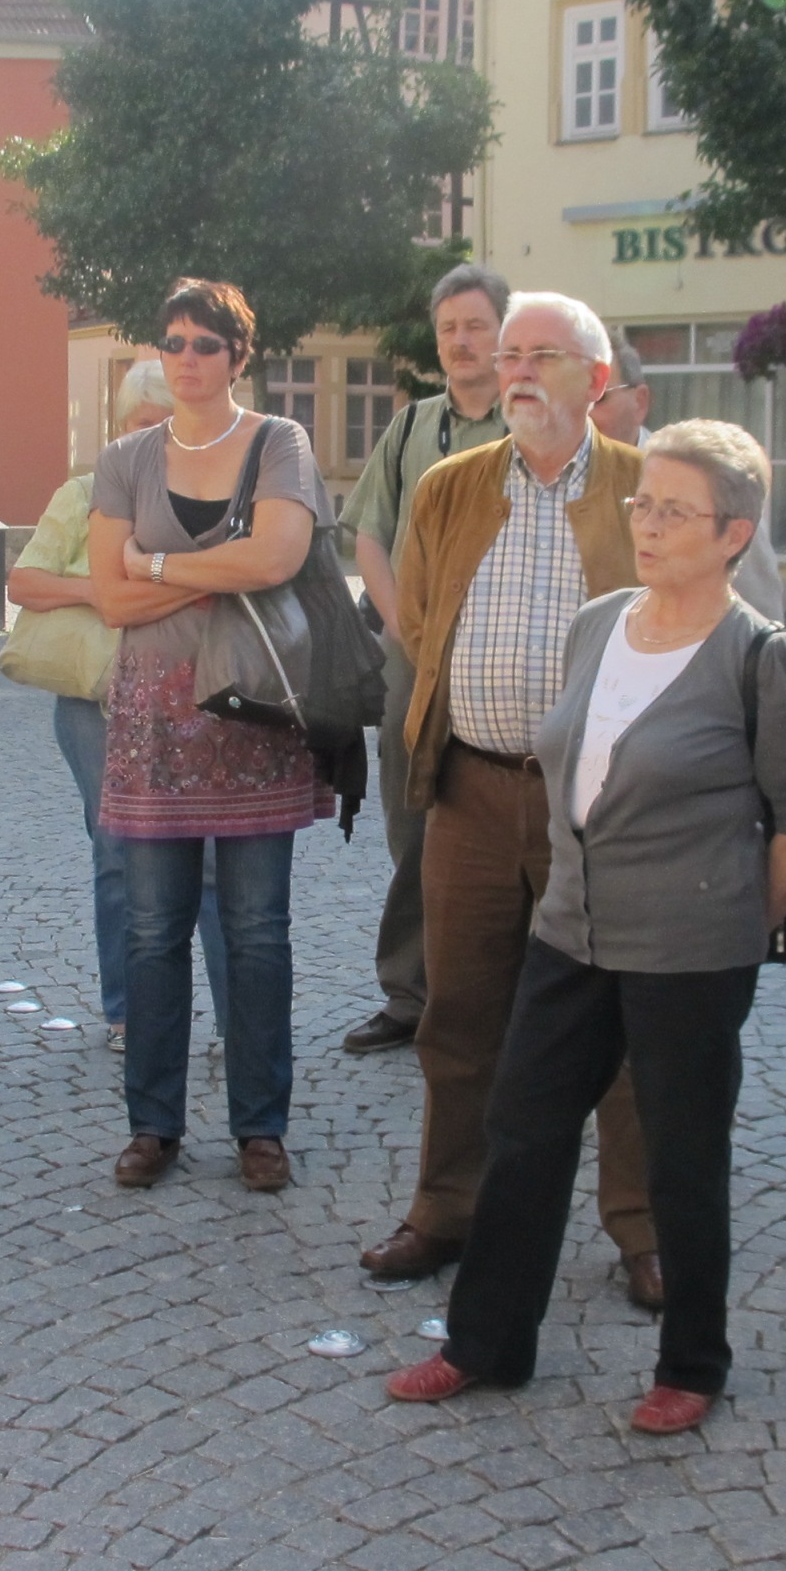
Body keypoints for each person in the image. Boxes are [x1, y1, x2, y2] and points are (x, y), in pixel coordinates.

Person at [385, 420, 786, 1432]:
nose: (647, 522)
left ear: (733, 532)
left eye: (674, 509)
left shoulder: (762, 657)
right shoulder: (597, 623)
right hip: (569, 931)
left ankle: (691, 1361)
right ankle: (485, 1342)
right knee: (522, 1129)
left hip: (688, 951)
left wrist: (731, 925)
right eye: (642, 502)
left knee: (681, 1151)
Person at [365, 291, 665, 1310]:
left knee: (621, 1028)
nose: (519, 369)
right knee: (458, 1017)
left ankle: (643, 1228)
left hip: (607, 808)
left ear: (595, 374)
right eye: (509, 353)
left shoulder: (644, 488)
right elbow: (417, 614)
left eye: (544, 353)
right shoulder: (447, 487)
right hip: (473, 792)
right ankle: (447, 1206)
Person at [88, 277, 328, 1193]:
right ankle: (153, 1125)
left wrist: (156, 562)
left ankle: (260, 1129)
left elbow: (279, 557)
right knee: (152, 933)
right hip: (153, 723)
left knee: (259, 934)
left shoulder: (279, 444)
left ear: (238, 355)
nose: (185, 358)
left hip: (256, 716)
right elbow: (109, 596)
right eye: (173, 342)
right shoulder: (126, 458)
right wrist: (212, 573)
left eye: (204, 344)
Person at [5, 359, 227, 1054]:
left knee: (216, 859)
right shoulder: (82, 495)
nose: (156, 435)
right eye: (142, 422)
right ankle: (130, 1012)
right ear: (119, 428)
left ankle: (233, 1016)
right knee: (119, 854)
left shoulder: (218, 496)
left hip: (199, 701)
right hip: (95, 705)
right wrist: (100, 593)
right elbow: (22, 580)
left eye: (170, 422)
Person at [341, 262, 510, 1055]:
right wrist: (402, 614)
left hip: (504, 659)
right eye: (449, 329)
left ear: (503, 333)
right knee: (412, 826)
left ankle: (494, 1001)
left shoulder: (530, 426)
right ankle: (410, 994)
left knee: (505, 824)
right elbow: (367, 528)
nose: (461, 341)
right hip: (412, 660)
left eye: (476, 325)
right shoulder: (410, 428)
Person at [594, 332, 786, 622]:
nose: (579, 414)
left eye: (598, 398)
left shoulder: (702, 476)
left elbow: (759, 615)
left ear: (640, 402)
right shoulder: (536, 485)